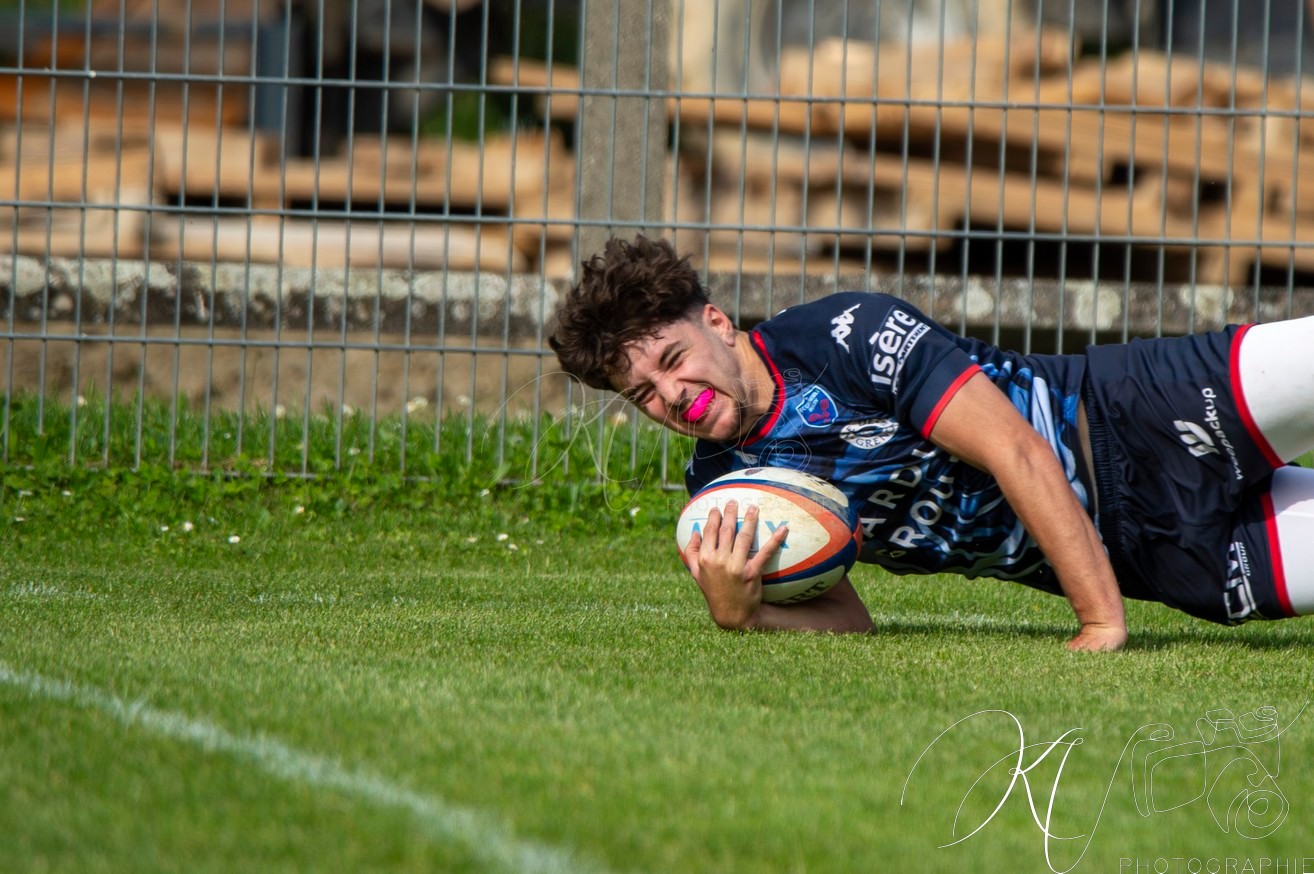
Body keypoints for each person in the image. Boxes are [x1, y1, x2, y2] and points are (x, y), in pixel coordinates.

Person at [548, 235, 1314, 651]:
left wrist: (1101, 624)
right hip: (1151, 554)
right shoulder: (725, 490)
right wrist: (743, 614)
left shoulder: (847, 333)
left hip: (1133, 410)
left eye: (673, 361)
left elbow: (1016, 448)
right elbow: (850, 622)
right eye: (643, 393)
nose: (671, 396)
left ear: (717, 323)